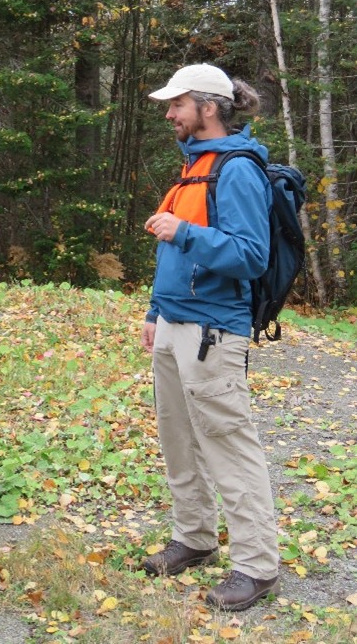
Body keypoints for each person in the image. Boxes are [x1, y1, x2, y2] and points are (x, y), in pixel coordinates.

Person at [140, 64, 280, 611]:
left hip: (214, 331)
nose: (169, 114)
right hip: (174, 326)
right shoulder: (191, 168)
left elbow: (251, 256)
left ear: (209, 107)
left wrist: (187, 232)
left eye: (177, 104)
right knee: (179, 439)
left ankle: (257, 566)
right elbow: (171, 251)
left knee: (228, 445)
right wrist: (156, 309)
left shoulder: (237, 170)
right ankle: (194, 538)